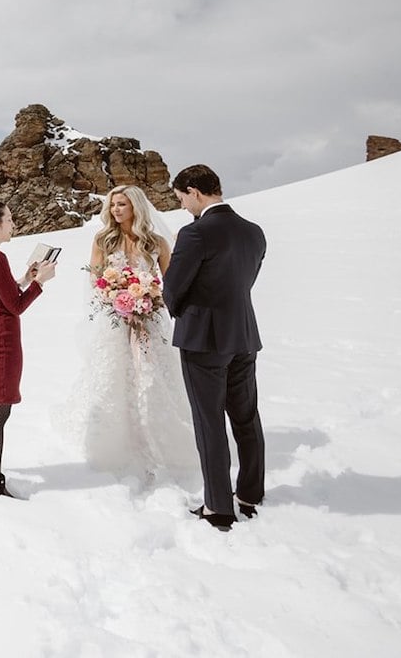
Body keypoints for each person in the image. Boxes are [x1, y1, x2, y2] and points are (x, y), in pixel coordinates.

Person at [59, 185, 197, 481]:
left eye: (121, 204)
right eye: (112, 205)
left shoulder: (156, 241)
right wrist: (116, 297)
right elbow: (97, 280)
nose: (115, 210)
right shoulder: (103, 240)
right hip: (116, 321)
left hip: (150, 320)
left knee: (153, 371)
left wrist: (148, 299)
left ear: (135, 206)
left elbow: (170, 282)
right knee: (116, 374)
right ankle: (116, 439)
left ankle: (160, 433)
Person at [163, 164, 268, 532]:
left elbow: (172, 288)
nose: (182, 207)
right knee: (246, 417)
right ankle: (251, 494)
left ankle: (218, 507)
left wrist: (181, 311)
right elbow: (245, 281)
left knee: (209, 423)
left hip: (203, 339)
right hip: (243, 334)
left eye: (181, 199)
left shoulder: (195, 233)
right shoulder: (254, 233)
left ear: (194, 191)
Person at [0, 200, 56, 506]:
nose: (13, 224)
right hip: (2, 338)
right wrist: (40, 284)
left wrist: (25, 279)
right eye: (9, 219)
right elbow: (14, 306)